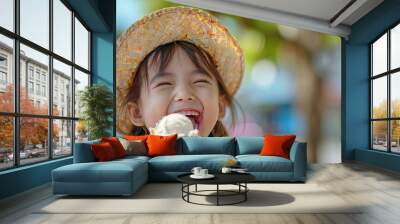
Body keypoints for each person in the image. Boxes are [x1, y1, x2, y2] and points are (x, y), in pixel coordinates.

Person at [116, 7, 244, 137]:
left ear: (220, 106)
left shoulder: (227, 157)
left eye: (200, 81)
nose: (184, 94)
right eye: (164, 83)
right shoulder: (129, 156)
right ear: (137, 112)